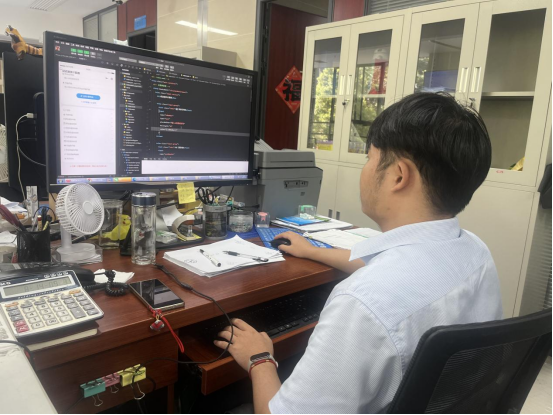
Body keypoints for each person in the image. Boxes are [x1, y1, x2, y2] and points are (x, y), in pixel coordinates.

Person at [214, 93, 503, 414]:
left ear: (398, 175)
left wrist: (260, 359)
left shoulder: (362, 302)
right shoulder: (476, 252)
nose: (365, 169)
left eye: (370, 158)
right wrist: (312, 251)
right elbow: (387, 264)